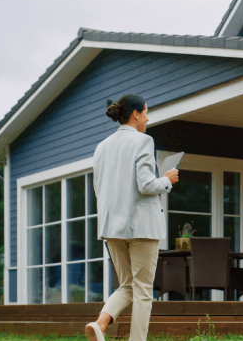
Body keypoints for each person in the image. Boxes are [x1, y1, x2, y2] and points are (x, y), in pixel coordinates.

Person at [85, 94, 179, 341]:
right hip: (141, 227)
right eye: (146, 112)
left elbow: (99, 188)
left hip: (111, 228)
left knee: (127, 285)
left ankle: (100, 324)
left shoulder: (101, 146)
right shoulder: (143, 141)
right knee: (143, 291)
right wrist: (167, 181)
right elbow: (147, 185)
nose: (148, 118)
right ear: (135, 114)